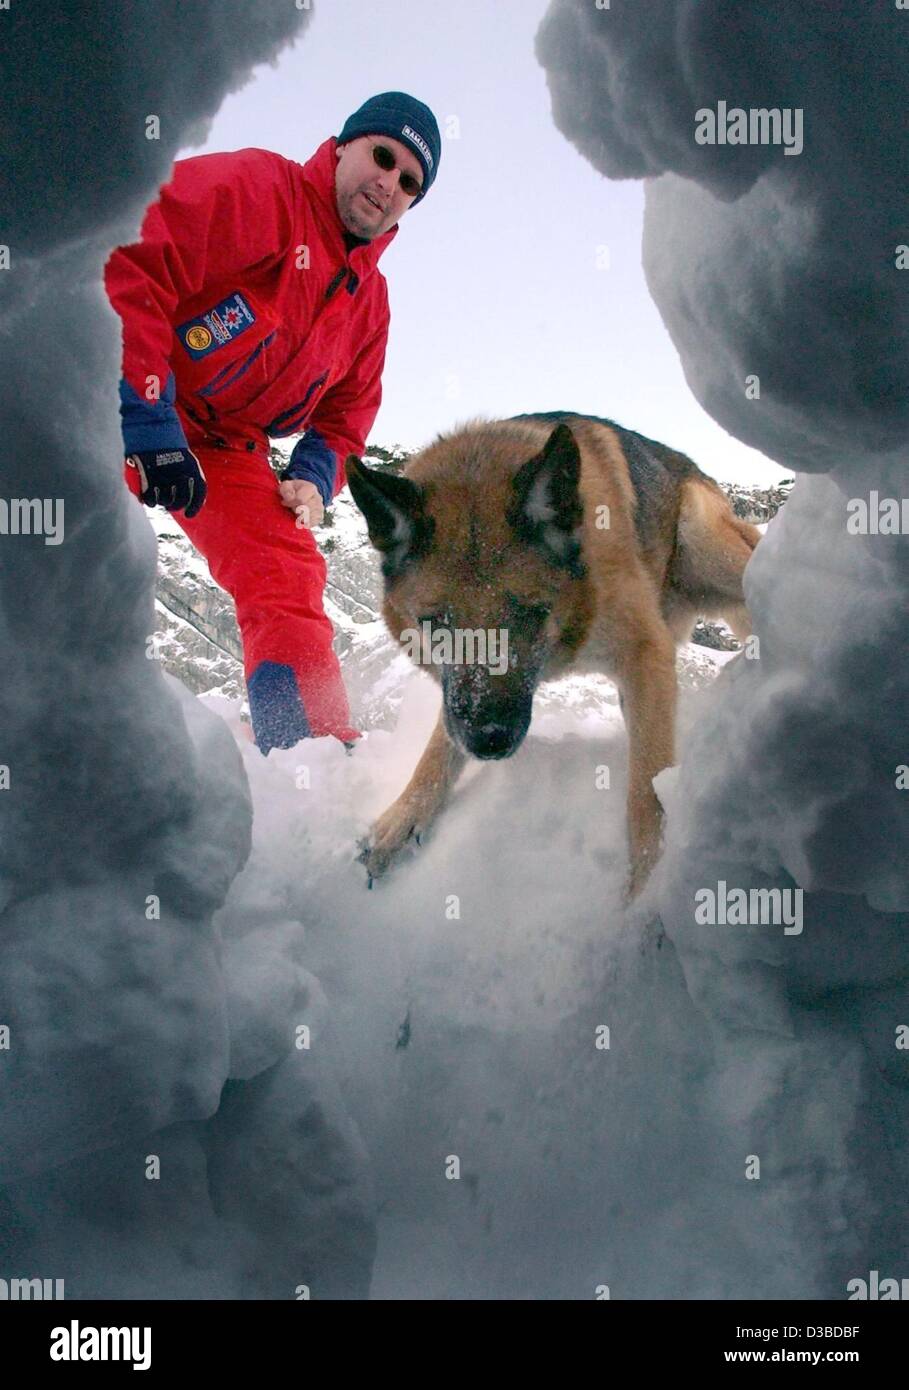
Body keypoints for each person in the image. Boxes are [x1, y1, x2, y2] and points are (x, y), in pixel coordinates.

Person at [105, 92, 441, 752]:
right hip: (121, 376)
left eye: (408, 183)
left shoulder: (368, 303)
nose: (388, 183)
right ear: (343, 146)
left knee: (286, 573)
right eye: (382, 156)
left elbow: (346, 418)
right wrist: (143, 412)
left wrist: (315, 475)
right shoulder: (258, 189)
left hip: (225, 445)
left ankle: (306, 754)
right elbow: (130, 259)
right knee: (49, 522)